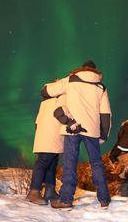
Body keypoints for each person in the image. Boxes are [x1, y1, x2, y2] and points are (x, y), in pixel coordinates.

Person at [42, 60, 112, 211]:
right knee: (96, 163)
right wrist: (104, 135)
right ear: (95, 73)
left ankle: (66, 201)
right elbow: (106, 114)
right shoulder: (101, 87)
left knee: (69, 164)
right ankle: (104, 200)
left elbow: (46, 92)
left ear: (80, 70)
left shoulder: (70, 81)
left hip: (71, 129)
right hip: (92, 131)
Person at [24, 80, 66, 205]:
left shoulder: (45, 102)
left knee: (52, 163)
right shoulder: (60, 99)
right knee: (43, 162)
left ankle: (50, 191)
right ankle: (33, 193)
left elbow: (37, 123)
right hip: (52, 135)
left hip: (48, 135)